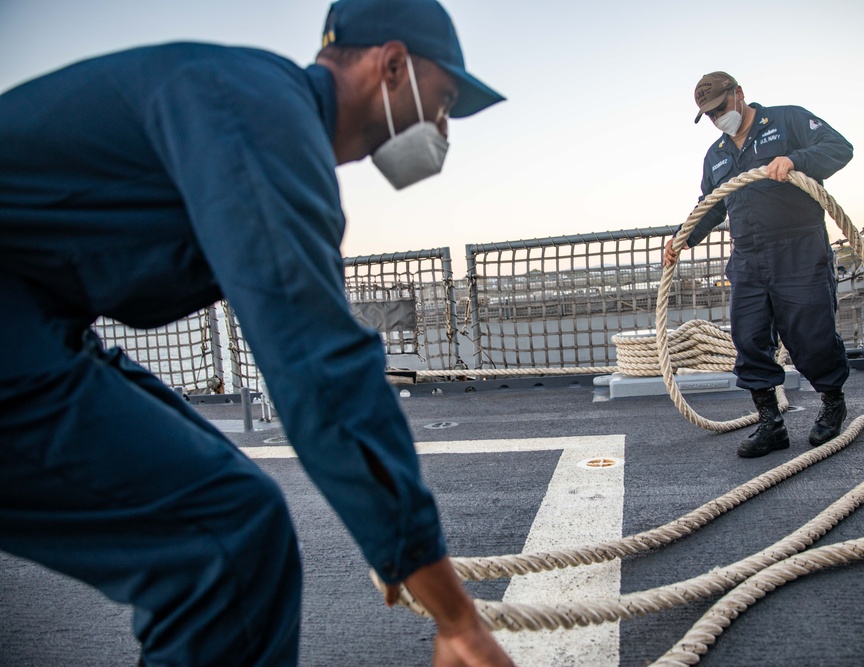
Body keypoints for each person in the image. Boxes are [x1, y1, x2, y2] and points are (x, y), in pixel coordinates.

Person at [0, 0, 515, 664]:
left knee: (236, 515)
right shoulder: (259, 114)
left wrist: (393, 536)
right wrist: (453, 612)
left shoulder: (257, 107)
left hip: (33, 312)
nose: (444, 130)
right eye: (443, 102)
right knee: (225, 536)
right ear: (391, 66)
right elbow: (315, 363)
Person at [664, 72, 853, 458]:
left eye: (720, 109)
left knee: (811, 336)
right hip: (748, 256)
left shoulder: (788, 120)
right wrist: (683, 237)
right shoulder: (716, 155)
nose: (718, 119)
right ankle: (771, 424)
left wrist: (796, 159)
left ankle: (833, 403)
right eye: (710, 115)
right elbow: (711, 204)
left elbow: (839, 148)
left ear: (739, 94)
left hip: (799, 247)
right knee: (749, 339)